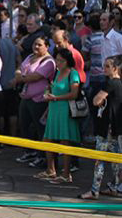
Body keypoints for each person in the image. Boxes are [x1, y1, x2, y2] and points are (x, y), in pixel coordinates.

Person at [34, 48, 81, 184]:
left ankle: (66, 174)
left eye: (61, 60)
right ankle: (51, 170)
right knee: (47, 139)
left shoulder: (73, 73)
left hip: (65, 110)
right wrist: (48, 93)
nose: (58, 63)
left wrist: (56, 98)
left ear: (68, 61)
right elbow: (53, 88)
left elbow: (74, 94)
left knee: (65, 142)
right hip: (54, 109)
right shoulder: (57, 72)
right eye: (57, 60)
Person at [79, 55, 122, 199]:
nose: (104, 69)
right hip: (115, 128)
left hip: (106, 128)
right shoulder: (119, 83)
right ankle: (115, 187)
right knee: (116, 160)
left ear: (115, 68)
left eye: (107, 66)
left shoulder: (110, 83)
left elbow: (96, 100)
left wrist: (99, 99)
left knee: (99, 160)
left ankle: (94, 190)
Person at [13, 37, 56, 168]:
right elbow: (19, 68)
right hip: (25, 97)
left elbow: (36, 77)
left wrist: (20, 77)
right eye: (34, 44)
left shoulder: (49, 62)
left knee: (39, 128)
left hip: (39, 99)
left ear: (47, 46)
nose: (36, 47)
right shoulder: (30, 56)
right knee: (24, 125)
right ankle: (29, 151)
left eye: (39, 45)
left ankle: (42, 156)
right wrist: (20, 75)